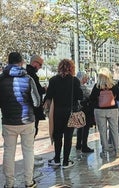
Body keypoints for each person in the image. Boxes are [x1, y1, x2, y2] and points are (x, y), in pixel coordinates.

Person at [0, 52, 40, 188]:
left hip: (8, 121)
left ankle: (9, 183)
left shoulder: (1, 79)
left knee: (8, 152)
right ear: (21, 62)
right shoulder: (28, 79)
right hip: (27, 120)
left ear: (8, 61)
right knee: (28, 151)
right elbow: (36, 102)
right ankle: (29, 182)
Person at [45, 59, 83, 168]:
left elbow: (48, 96)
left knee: (57, 136)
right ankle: (66, 161)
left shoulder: (53, 80)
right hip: (70, 112)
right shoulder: (74, 80)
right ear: (71, 68)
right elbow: (80, 96)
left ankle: (57, 159)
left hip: (57, 112)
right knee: (68, 137)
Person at [89, 67, 119, 159]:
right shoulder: (114, 86)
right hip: (113, 110)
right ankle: (117, 150)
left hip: (99, 111)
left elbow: (91, 99)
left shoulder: (97, 86)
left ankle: (104, 151)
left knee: (102, 131)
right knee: (114, 130)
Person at [26, 55, 47, 166]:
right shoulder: (31, 75)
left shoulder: (27, 73)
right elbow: (36, 91)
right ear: (35, 63)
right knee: (31, 132)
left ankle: (31, 155)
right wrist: (44, 89)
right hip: (33, 109)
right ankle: (30, 158)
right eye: (40, 65)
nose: (40, 67)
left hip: (27, 109)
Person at [75, 71, 94, 153]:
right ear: (82, 78)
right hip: (84, 108)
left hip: (77, 108)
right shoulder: (82, 87)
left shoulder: (75, 85)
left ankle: (78, 144)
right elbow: (89, 95)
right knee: (85, 128)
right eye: (85, 77)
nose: (87, 79)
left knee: (79, 127)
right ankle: (84, 146)